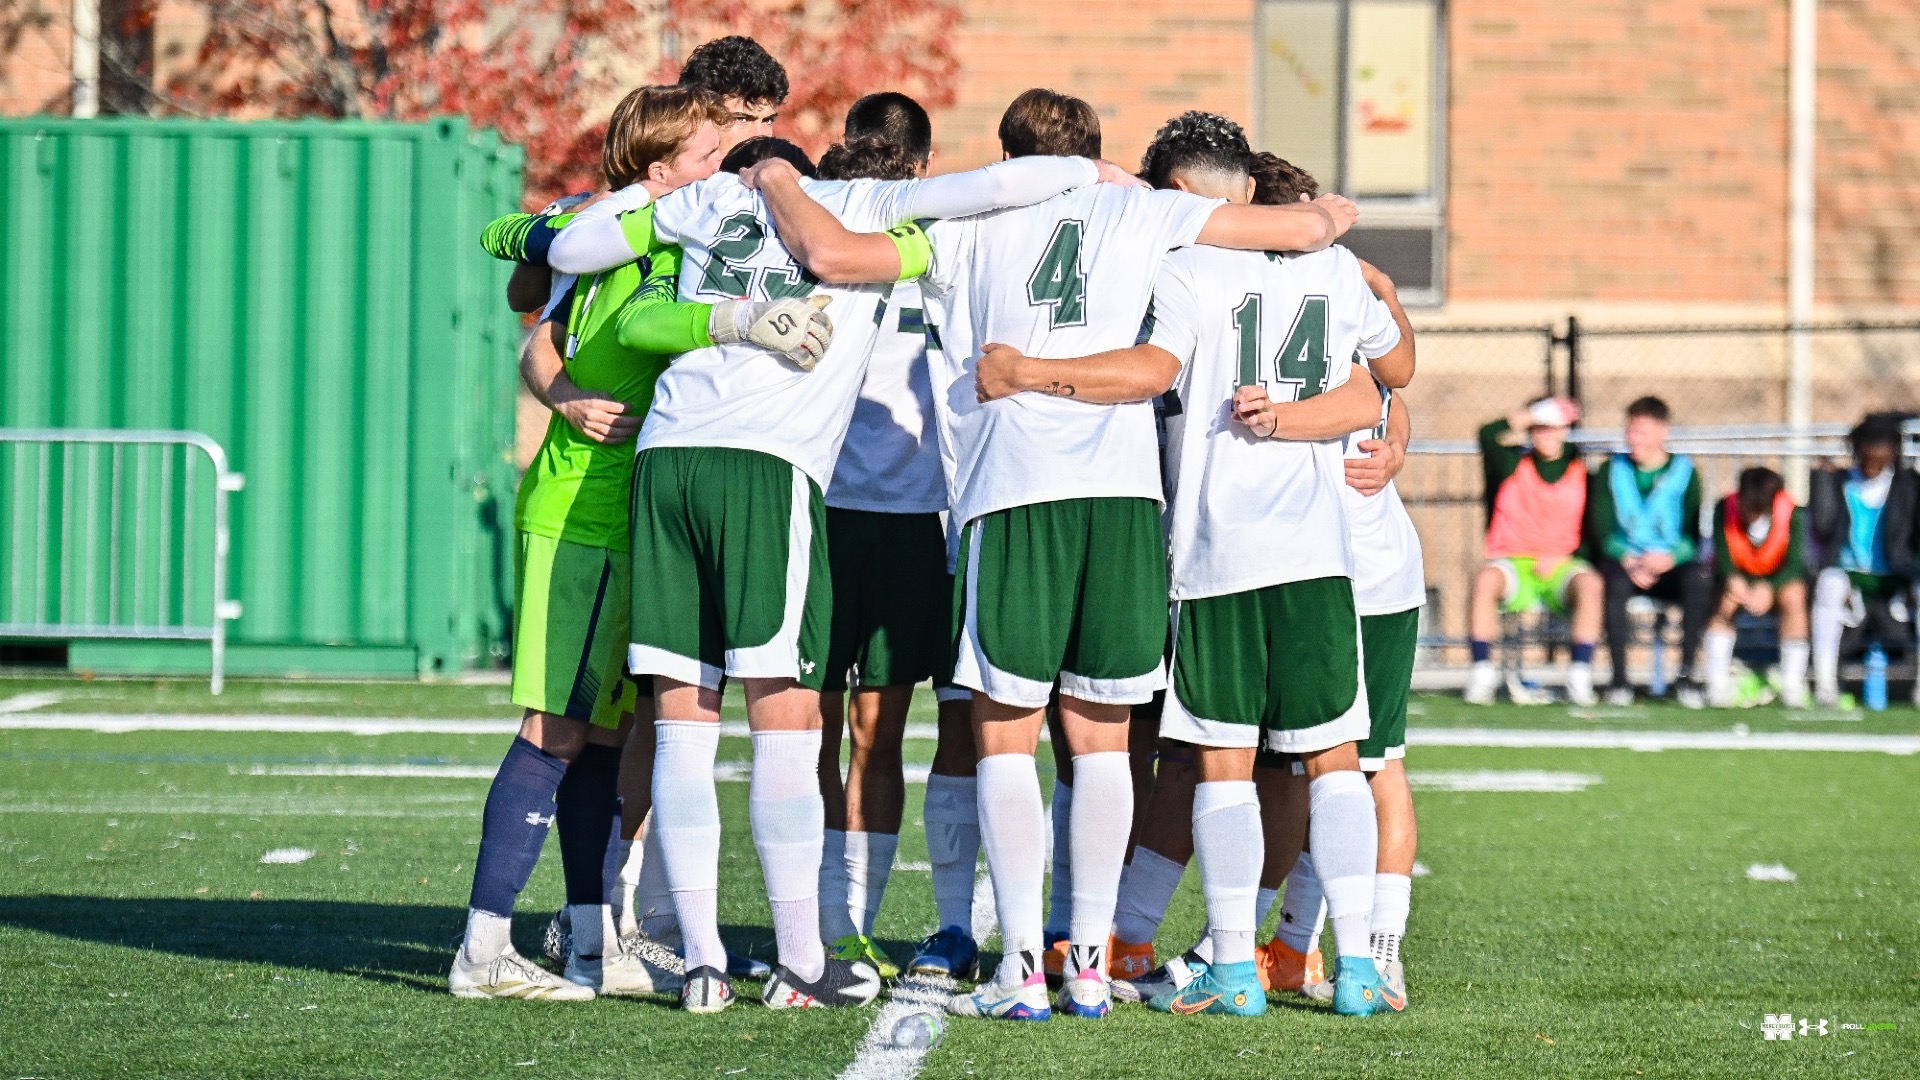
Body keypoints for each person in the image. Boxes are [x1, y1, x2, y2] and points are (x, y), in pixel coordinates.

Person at [554, 135, 1117, 1013]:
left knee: (683, 719)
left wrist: (650, 194)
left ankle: (702, 962)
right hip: (764, 466)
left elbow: (571, 250)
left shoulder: (700, 204)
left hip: (666, 459)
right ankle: (799, 959)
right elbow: (999, 182)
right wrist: (1092, 172)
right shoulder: (860, 205)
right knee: (784, 716)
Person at [886, 94, 1358, 1022]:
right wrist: (1332, 224)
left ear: (1009, 157)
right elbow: (1329, 265)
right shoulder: (1153, 218)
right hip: (1138, 503)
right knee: (1121, 746)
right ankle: (1100, 962)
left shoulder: (979, 217)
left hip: (1015, 491)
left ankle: (1022, 964)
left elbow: (852, 248)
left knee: (1001, 733)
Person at [449, 85, 732, 1002]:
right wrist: (564, 386)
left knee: (606, 733)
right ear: (658, 173)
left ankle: (587, 940)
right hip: (583, 514)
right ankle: (483, 952)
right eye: (705, 154)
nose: (722, 166)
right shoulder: (622, 230)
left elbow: (541, 317)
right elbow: (522, 272)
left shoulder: (650, 231)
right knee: (556, 727)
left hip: (632, 518)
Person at [806, 93, 956, 981]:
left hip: (872, 515)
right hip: (858, 511)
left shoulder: (942, 235)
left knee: (836, 730)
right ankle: (835, 923)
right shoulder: (828, 225)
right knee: (867, 732)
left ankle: (843, 920)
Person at [1464, 397, 1603, 706]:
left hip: (1560, 567)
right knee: (1485, 580)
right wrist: (1527, 415)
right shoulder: (1512, 463)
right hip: (1514, 563)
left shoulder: (1581, 469)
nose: (1546, 435)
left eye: (1554, 428)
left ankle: (1579, 674)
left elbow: (1592, 529)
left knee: (1591, 585)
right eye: (1539, 428)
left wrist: (1563, 558)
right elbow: (1487, 434)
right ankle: (1482, 671)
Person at [1589, 396, 1712, 706]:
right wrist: (1628, 559)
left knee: (1697, 581)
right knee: (1612, 585)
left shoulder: (1684, 471)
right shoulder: (1610, 470)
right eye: (1630, 431)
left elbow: (1692, 534)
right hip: (1626, 562)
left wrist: (1669, 558)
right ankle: (1619, 680)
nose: (1633, 439)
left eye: (1641, 431)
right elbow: (1601, 530)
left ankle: (1686, 676)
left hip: (1669, 563)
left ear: (1662, 432)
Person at [1809, 413, 1920, 707]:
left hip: (1897, 575)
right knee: (1829, 584)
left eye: (1883, 445)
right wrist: (1820, 479)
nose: (1876, 454)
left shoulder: (1908, 485)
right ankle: (1825, 684)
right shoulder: (1840, 481)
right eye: (1871, 445)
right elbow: (1822, 525)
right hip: (1851, 574)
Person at [1701, 467, 1810, 707]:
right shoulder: (1725, 508)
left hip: (1777, 581)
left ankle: (1792, 683)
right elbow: (1722, 555)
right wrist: (1734, 579)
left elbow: (1795, 564)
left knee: (1795, 596)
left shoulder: (1793, 513)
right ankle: (1716, 684)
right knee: (1725, 601)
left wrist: (1769, 587)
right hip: (1740, 579)